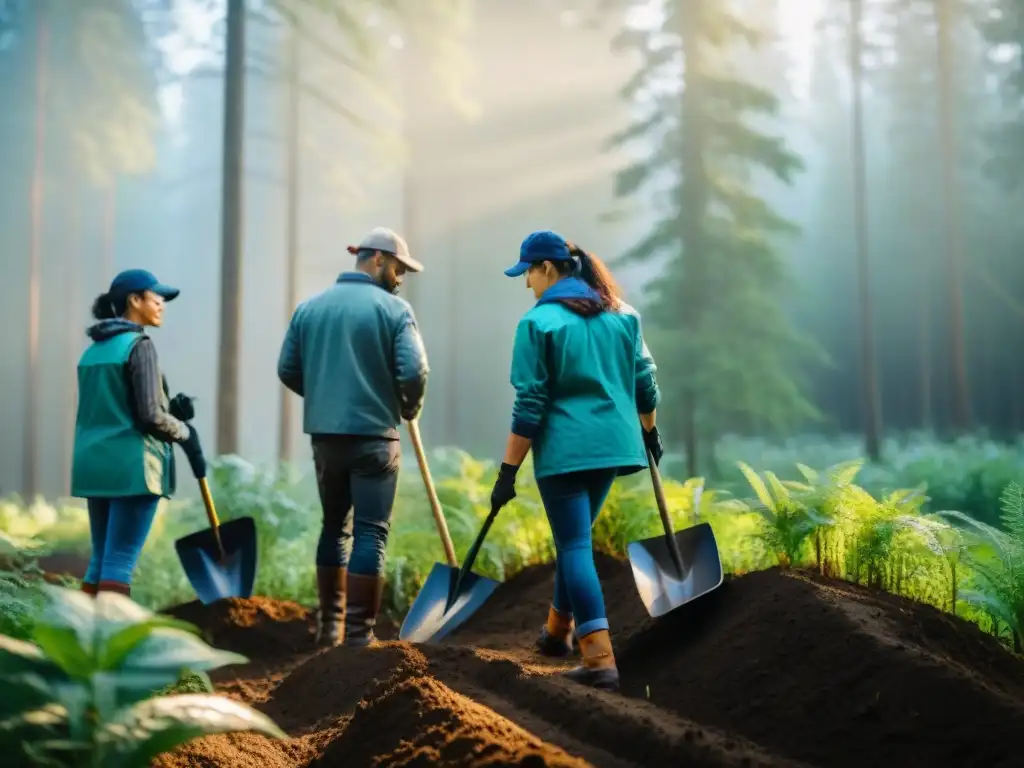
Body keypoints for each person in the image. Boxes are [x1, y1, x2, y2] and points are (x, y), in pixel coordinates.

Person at [489, 230, 663, 692]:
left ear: (548, 268)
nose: (527, 283)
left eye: (527, 271)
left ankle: (599, 661)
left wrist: (507, 472)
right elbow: (644, 382)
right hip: (614, 446)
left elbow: (530, 405)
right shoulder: (622, 315)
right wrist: (650, 429)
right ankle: (556, 632)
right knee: (577, 540)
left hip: (567, 450)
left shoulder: (539, 323)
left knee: (573, 546)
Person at [277, 227, 430, 648]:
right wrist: (409, 407)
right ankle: (359, 637)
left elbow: (288, 369)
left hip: (326, 439)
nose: (400, 279)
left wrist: (326, 396)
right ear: (377, 260)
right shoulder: (396, 311)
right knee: (370, 533)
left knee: (333, 527)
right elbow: (414, 372)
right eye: (398, 268)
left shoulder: (309, 309)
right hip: (376, 438)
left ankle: (329, 628)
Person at [71, 269, 206, 598]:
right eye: (155, 296)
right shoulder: (139, 346)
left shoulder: (94, 350)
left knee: (100, 559)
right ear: (134, 300)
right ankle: (111, 638)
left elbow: (116, 406)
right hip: (134, 467)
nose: (162, 303)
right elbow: (147, 416)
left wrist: (170, 409)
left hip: (95, 465)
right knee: (119, 560)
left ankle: (85, 639)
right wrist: (184, 432)